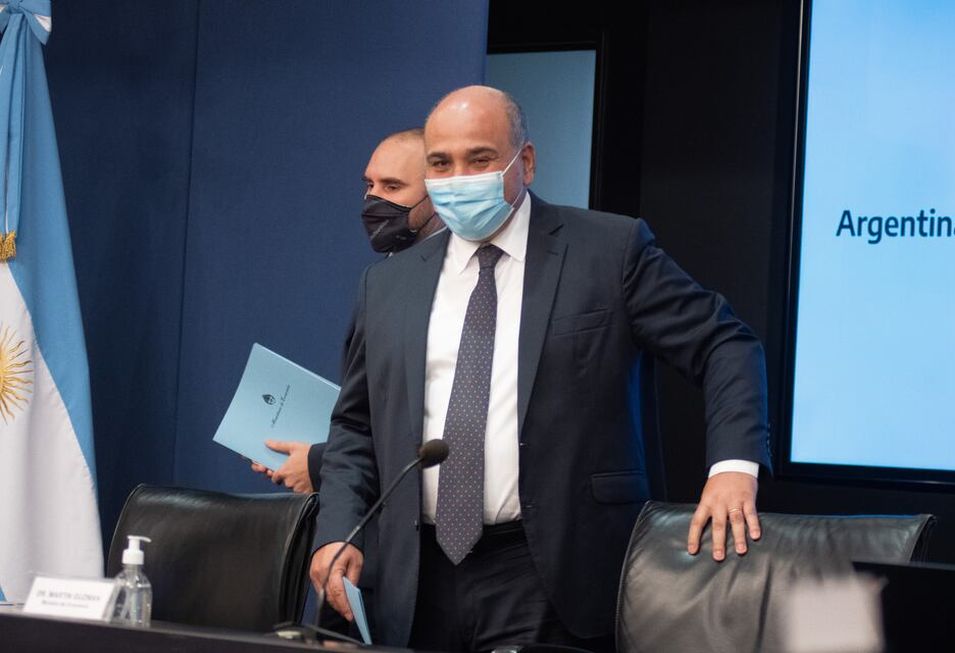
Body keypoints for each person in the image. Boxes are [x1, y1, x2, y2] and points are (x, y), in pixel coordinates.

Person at [310, 86, 770, 652]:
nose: (458, 178)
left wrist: (733, 467)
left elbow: (724, 343)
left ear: (524, 162)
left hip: (553, 570)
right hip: (416, 576)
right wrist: (337, 529)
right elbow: (355, 426)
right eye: (441, 163)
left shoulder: (608, 250)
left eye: (480, 159)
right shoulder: (386, 284)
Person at [249, 128, 442, 493]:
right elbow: (367, 410)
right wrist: (310, 454)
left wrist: (319, 464)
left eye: (392, 187)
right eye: (369, 185)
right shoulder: (382, 278)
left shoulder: (455, 286)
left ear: (438, 194)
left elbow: (432, 423)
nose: (373, 200)